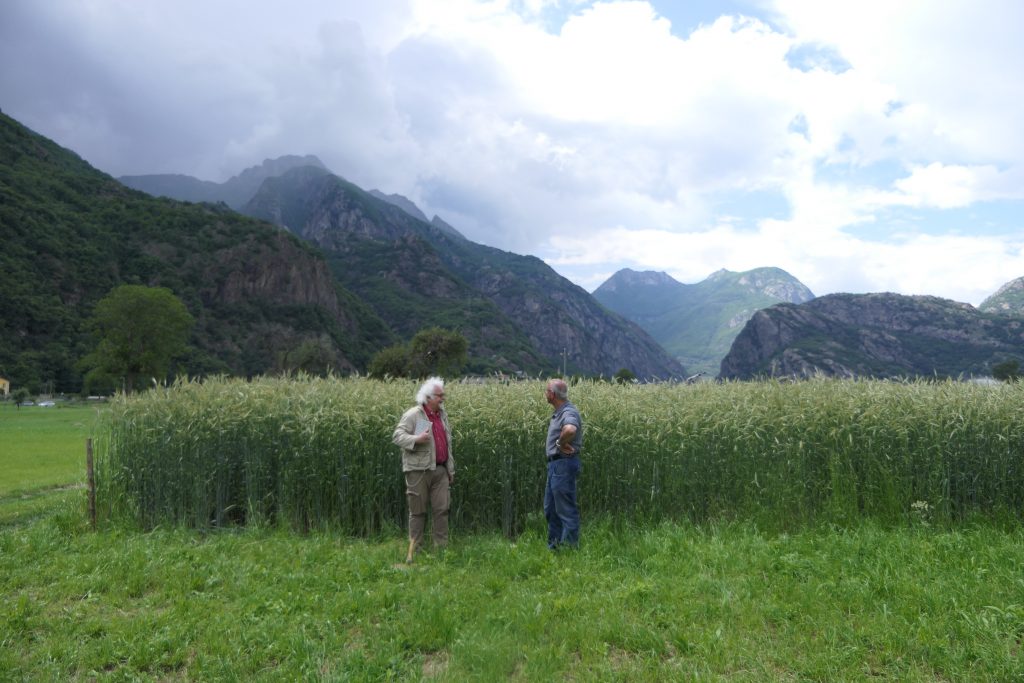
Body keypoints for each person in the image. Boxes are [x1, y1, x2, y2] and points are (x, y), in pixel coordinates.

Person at [393, 377, 454, 563]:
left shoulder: (442, 415)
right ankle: (415, 551)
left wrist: (450, 469)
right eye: (439, 395)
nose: (443, 398)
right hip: (418, 471)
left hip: (440, 470)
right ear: (428, 397)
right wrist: (416, 439)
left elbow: (447, 444)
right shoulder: (413, 414)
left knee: (442, 510)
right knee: (417, 512)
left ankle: (441, 550)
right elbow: (397, 436)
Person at [543, 378, 583, 550]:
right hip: (556, 466)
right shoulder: (561, 411)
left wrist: (560, 443)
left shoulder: (568, 412)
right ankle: (555, 547)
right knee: (551, 509)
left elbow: (571, 429)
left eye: (546, 391)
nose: (545, 394)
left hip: (563, 466)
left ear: (552, 394)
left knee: (565, 511)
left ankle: (569, 550)